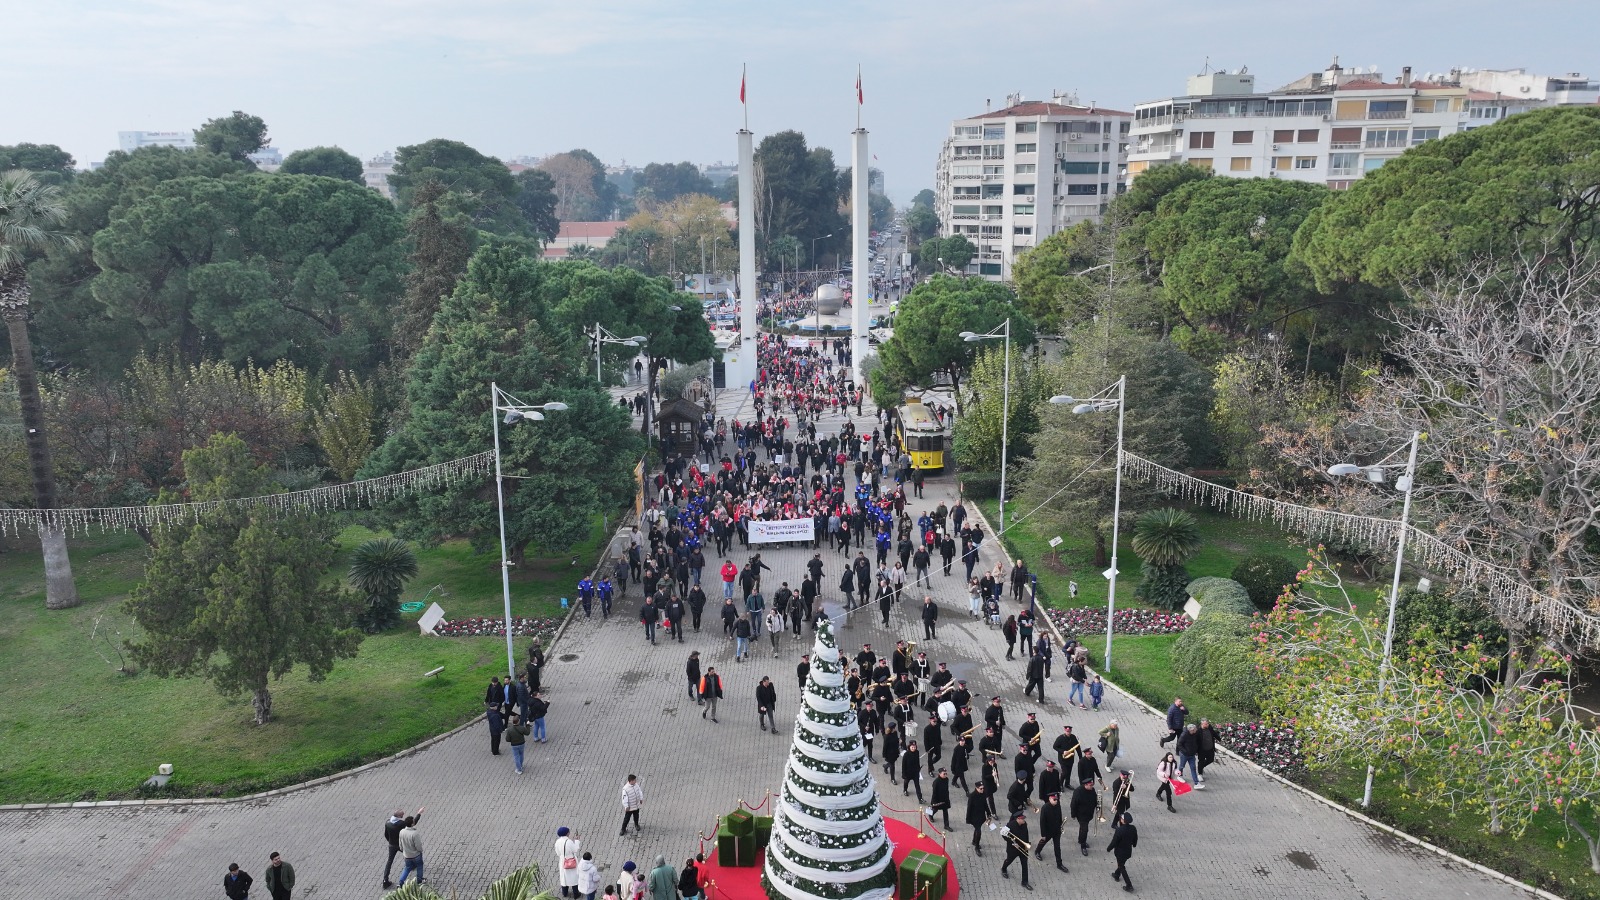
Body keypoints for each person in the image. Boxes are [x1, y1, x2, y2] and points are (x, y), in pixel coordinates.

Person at [381, 807, 421, 888]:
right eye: (402, 815)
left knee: (389, 861)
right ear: (398, 816)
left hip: (391, 845)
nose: (403, 815)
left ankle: (385, 880)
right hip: (400, 844)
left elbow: (386, 835)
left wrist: (390, 842)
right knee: (410, 854)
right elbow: (413, 822)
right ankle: (413, 865)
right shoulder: (401, 824)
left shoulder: (387, 822)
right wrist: (419, 813)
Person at [1033, 793, 1066, 872]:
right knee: (1043, 842)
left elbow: (1059, 815)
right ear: (1050, 799)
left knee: (1057, 847)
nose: (1056, 801)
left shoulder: (1058, 805)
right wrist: (1043, 834)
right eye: (1054, 800)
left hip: (1057, 831)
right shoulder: (1045, 808)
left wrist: (1061, 826)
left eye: (1057, 800)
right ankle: (1037, 851)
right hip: (1048, 831)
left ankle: (1059, 864)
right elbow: (1042, 822)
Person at [1000, 810, 1033, 889]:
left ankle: (1025, 882)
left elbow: (1026, 834)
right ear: (1018, 819)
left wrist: (1027, 844)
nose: (1023, 820)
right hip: (1013, 849)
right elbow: (1003, 834)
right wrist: (1012, 842)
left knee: (1024, 865)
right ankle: (1004, 868)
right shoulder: (1010, 825)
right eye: (1022, 819)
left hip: (1023, 848)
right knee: (1009, 860)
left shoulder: (1024, 824)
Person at [1107, 811, 1138, 892]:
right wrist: (1134, 844)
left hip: (1120, 852)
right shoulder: (1133, 828)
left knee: (1122, 867)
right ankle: (1116, 875)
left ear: (1123, 821)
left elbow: (1114, 842)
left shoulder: (1119, 830)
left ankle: (1129, 885)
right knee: (1122, 863)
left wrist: (1109, 848)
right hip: (1128, 851)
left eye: (1121, 818)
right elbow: (1135, 838)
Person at [1069, 781, 1098, 857]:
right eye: (1090, 785)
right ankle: (1083, 846)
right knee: (1085, 830)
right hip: (1081, 814)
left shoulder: (1092, 790)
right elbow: (1073, 804)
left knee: (1082, 829)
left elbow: (1095, 799)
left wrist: (1097, 806)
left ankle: (1080, 839)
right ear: (1085, 785)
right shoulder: (1078, 792)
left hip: (1089, 814)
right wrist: (1073, 814)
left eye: (1092, 785)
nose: (1092, 786)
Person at [966, 781, 991, 856]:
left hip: (981, 816)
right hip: (974, 817)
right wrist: (968, 819)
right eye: (981, 788)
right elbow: (969, 808)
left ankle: (974, 841)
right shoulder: (972, 796)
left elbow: (985, 804)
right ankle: (977, 847)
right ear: (976, 788)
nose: (982, 790)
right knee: (978, 831)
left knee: (977, 829)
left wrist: (988, 812)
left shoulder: (983, 794)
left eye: (983, 788)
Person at [399, 816, 425, 887]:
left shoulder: (402, 832)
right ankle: (419, 880)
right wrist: (420, 851)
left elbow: (400, 844)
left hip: (406, 855)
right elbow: (418, 845)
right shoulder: (414, 833)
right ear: (412, 824)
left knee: (407, 868)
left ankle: (401, 882)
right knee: (419, 866)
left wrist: (402, 850)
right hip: (416, 855)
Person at [555, 827, 581, 898]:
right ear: (567, 833)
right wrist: (577, 841)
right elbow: (575, 849)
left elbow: (558, 853)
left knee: (564, 877)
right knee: (574, 878)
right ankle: (576, 893)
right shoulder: (569, 842)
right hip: (571, 860)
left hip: (563, 861)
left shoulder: (557, 842)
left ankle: (565, 893)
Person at [1176, 722, 1203, 788]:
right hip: (1184, 754)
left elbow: (1197, 741)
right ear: (1191, 730)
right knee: (1182, 766)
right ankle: (1179, 775)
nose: (1196, 731)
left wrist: (1196, 749)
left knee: (1193, 768)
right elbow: (1179, 744)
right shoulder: (1184, 735)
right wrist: (1185, 751)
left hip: (1192, 754)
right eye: (1194, 730)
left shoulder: (1195, 734)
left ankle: (1196, 783)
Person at [1196, 717, 1219, 783]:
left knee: (1211, 759)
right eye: (1206, 724)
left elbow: (1213, 733)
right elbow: (1195, 741)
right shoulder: (1198, 731)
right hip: (1202, 750)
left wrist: (1219, 738)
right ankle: (1200, 774)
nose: (1207, 725)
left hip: (1210, 748)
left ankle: (1201, 766)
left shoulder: (1209, 727)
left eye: (1208, 724)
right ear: (1202, 724)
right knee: (1201, 760)